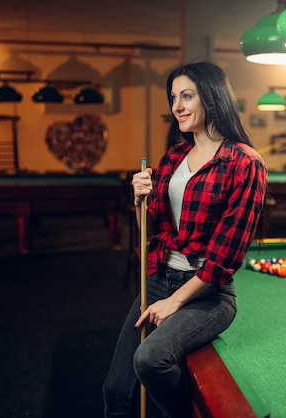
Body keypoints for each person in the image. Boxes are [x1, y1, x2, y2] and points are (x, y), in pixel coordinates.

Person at [103, 61, 268, 418]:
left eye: (187, 96)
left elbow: (227, 254)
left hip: (207, 294)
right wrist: (138, 200)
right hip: (159, 279)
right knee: (115, 391)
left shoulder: (245, 163)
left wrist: (176, 301)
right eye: (174, 97)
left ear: (212, 97)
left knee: (149, 360)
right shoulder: (174, 156)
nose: (177, 105)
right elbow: (151, 228)